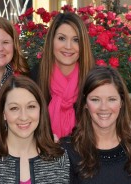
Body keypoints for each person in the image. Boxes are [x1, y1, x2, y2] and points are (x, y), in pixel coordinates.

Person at [63, 66, 131, 184]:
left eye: (111, 99)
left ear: (122, 102)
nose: (103, 107)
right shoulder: (67, 150)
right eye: (95, 100)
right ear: (85, 103)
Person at [0, 75, 70, 184]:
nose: (24, 116)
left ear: (41, 110)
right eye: (14, 108)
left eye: (31, 106)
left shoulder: (58, 157)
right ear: (3, 113)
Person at [31, 12, 95, 140]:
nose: (68, 46)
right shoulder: (35, 78)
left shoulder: (93, 79)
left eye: (76, 40)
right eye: (62, 38)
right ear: (52, 41)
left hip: (85, 154)